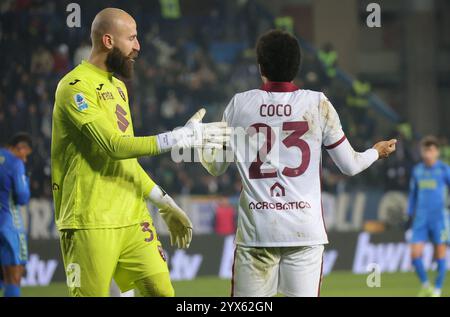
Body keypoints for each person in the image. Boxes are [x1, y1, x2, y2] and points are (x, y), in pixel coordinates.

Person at [199, 29, 396, 297]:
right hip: (305, 232)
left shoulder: (239, 105)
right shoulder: (317, 103)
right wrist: (376, 151)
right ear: (297, 66)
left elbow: (215, 166)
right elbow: (350, 166)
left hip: (258, 232)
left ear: (260, 67)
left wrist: (200, 141)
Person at [51, 8, 229, 297]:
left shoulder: (119, 87)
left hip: (133, 217)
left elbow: (126, 161)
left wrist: (163, 201)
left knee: (162, 292)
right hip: (91, 220)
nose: (138, 46)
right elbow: (114, 146)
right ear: (108, 41)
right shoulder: (74, 87)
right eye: (131, 38)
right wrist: (181, 137)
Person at [406, 136, 450, 297]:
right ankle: (426, 285)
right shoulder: (417, 170)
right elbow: (412, 195)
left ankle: (437, 289)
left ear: (437, 152)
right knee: (415, 254)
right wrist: (409, 216)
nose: (428, 154)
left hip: (439, 219)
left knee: (440, 254)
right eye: (425, 150)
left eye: (431, 150)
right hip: (421, 220)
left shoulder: (444, 170)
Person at [0, 133, 33, 297]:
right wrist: (25, 180)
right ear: (20, 148)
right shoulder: (15, 163)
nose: (25, 159)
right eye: (25, 154)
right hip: (8, 225)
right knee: (14, 275)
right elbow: (22, 196)